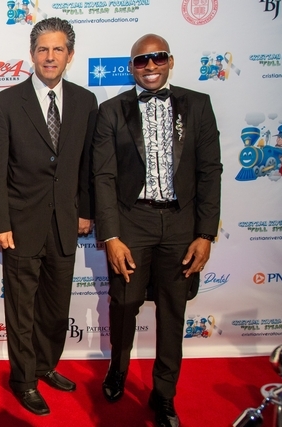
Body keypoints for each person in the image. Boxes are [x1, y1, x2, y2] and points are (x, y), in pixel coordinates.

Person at [92, 34, 222, 427]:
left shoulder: (198, 105)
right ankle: (118, 370)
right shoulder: (111, 110)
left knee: (172, 311)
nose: (150, 66)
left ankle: (164, 394)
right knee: (124, 302)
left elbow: (210, 172)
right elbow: (103, 176)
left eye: (158, 58)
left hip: (182, 225)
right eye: (141, 60)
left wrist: (205, 234)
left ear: (170, 61)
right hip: (132, 221)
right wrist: (111, 236)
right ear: (131, 67)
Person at [0, 17, 97, 416]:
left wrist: (85, 211)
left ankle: (46, 365)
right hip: (20, 226)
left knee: (55, 305)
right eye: (43, 49)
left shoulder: (85, 101)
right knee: (21, 309)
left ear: (70, 55)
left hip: (65, 223)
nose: (50, 57)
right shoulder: (4, 103)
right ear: (32, 54)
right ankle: (24, 379)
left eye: (58, 49)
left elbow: (87, 164)